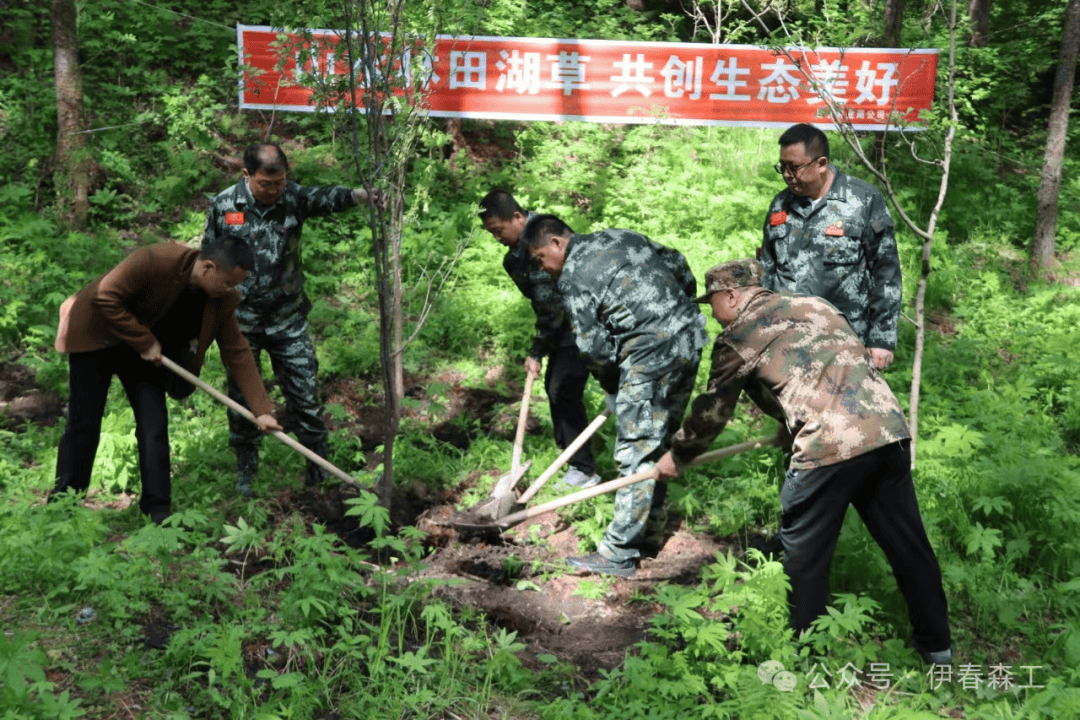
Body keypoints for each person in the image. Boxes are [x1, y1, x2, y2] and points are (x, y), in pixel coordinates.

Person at [655, 258, 952, 665]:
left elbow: (712, 410)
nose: (713, 314)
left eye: (713, 304)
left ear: (731, 296)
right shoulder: (816, 306)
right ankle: (937, 647)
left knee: (805, 556)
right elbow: (826, 367)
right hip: (886, 429)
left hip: (827, 448)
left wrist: (678, 455)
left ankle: (807, 659)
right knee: (907, 542)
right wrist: (789, 423)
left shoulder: (741, 334)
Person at [49, 238, 282, 523]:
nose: (231, 290)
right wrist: (144, 340)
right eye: (228, 282)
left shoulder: (221, 299)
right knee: (85, 421)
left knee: (153, 424)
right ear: (208, 267)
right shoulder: (154, 259)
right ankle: (63, 504)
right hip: (98, 333)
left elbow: (237, 352)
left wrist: (262, 410)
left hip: (143, 350)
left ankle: (158, 512)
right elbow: (104, 296)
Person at [525, 215, 708, 578]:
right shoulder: (620, 235)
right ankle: (649, 534)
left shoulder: (574, 277)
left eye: (540, 258)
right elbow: (678, 264)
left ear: (558, 244)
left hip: (648, 355)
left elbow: (592, 349)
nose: (543, 269)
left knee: (636, 449)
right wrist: (679, 308)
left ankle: (619, 553)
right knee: (659, 440)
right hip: (689, 340)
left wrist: (613, 387)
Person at [201, 143, 379, 496]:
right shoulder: (225, 206)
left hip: (288, 320)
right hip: (242, 321)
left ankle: (318, 474)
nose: (274, 190)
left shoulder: (293, 198)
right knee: (242, 399)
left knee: (305, 397)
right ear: (246, 175)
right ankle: (246, 472)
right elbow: (206, 259)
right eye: (266, 184)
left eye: (280, 182)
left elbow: (328, 197)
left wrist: (364, 195)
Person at [478, 190, 598, 488]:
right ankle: (572, 459)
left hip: (580, 322)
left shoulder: (543, 239)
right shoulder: (516, 257)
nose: (496, 237)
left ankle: (582, 469)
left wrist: (536, 351)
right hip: (562, 326)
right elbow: (543, 304)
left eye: (499, 230)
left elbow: (553, 306)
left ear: (517, 217)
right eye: (490, 233)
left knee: (563, 389)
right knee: (555, 387)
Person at [760, 123, 901, 371]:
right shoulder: (781, 204)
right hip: (787, 342)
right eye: (782, 168)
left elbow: (886, 272)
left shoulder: (863, 200)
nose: (787, 175)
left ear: (821, 164)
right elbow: (767, 269)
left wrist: (882, 339)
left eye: (794, 168)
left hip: (844, 345)